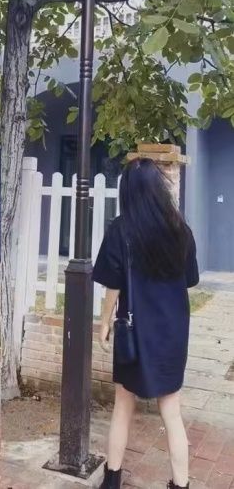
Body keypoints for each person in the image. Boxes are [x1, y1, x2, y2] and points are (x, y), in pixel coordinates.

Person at [94, 158, 199, 489]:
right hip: (172, 332)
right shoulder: (180, 230)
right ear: (158, 188)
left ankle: (112, 480)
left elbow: (113, 286)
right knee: (172, 412)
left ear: (127, 190)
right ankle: (180, 485)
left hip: (135, 333)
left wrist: (104, 322)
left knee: (123, 407)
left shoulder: (121, 230)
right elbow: (189, 280)